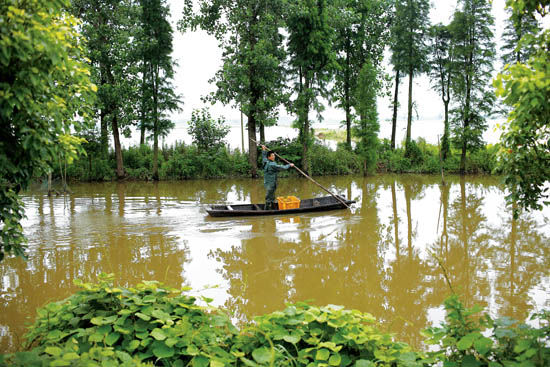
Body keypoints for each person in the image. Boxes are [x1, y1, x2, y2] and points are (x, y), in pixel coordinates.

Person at [261, 145, 294, 210]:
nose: (274, 156)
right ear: (269, 157)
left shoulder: (266, 162)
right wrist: (289, 165)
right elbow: (282, 167)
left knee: (272, 196)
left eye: (274, 155)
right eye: (272, 156)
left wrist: (263, 150)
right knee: (269, 197)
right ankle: (266, 211)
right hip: (271, 183)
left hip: (267, 182)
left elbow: (264, 157)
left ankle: (272, 208)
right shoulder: (272, 164)